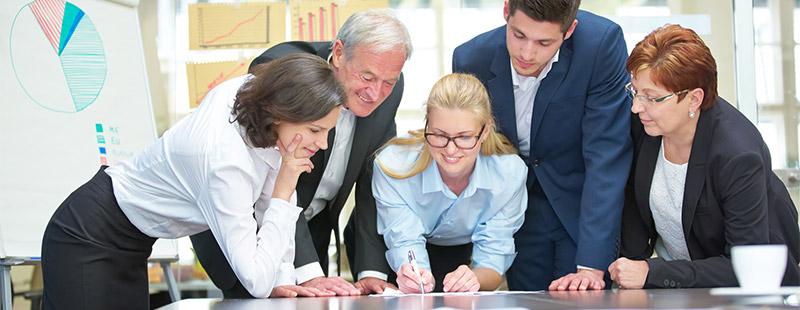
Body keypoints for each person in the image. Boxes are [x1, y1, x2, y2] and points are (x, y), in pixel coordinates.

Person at [40, 54, 346, 309]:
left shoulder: (259, 98)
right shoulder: (224, 161)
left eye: (328, 131)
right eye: (316, 130)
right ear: (280, 114)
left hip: (133, 243)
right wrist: (285, 185)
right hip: (89, 235)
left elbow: (270, 205)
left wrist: (283, 279)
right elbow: (256, 280)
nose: (323, 145)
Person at [190, 8, 413, 297]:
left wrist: (370, 270)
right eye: (367, 76)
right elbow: (272, 175)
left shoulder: (391, 90)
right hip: (249, 228)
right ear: (340, 52)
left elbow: (375, 179)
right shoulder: (282, 70)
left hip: (312, 231)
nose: (376, 93)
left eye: (388, 81)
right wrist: (308, 271)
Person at [452, 0, 632, 291]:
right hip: (517, 213)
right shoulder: (471, 59)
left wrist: (591, 265)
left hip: (583, 206)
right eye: (518, 35)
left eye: (544, 42)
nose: (526, 53)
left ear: (569, 30)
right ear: (506, 10)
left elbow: (607, 155)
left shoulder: (600, 45)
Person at [609, 24, 800, 289]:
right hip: (685, 290)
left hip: (757, 293)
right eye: (635, 91)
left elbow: (744, 266)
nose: (636, 106)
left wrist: (651, 272)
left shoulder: (737, 154)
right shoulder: (648, 125)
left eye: (652, 97)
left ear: (693, 99)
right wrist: (626, 266)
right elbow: (634, 203)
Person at [373, 73, 528, 293]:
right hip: (396, 253)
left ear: (485, 132)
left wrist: (474, 279)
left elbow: (493, 259)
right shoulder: (394, 166)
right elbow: (404, 241)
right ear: (427, 124)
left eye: (465, 137)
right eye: (439, 135)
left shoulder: (509, 174)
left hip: (462, 250)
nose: (451, 150)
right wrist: (418, 279)